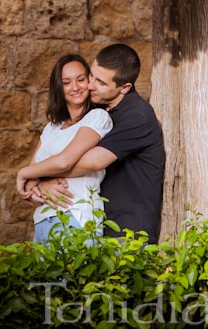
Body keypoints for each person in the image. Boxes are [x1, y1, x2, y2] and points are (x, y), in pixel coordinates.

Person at [26, 43, 165, 244]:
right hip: (102, 227)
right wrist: (41, 183)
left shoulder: (137, 115)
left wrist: (36, 176)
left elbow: (91, 162)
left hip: (128, 234)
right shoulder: (98, 112)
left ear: (124, 87)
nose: (90, 86)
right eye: (91, 76)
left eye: (100, 82)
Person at [16, 53, 112, 244]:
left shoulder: (97, 118)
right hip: (43, 220)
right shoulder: (51, 127)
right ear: (59, 88)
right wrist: (41, 186)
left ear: (89, 80)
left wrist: (23, 173)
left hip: (76, 218)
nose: (75, 87)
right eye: (66, 82)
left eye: (81, 79)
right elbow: (29, 189)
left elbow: (64, 161)